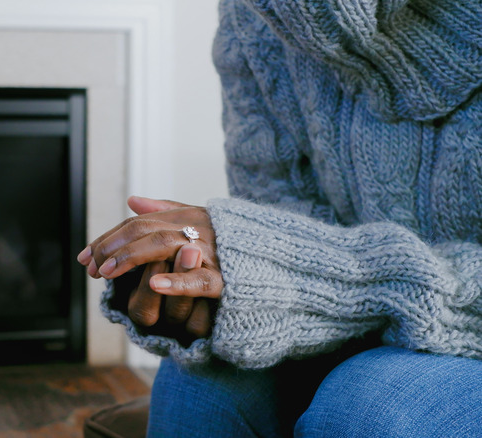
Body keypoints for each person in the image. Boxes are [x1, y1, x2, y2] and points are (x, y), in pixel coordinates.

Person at [77, 0, 482, 436]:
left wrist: (335, 277)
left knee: (372, 407)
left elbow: (306, 265)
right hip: (360, 323)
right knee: (198, 381)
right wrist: (223, 281)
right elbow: (283, 214)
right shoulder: (252, 16)